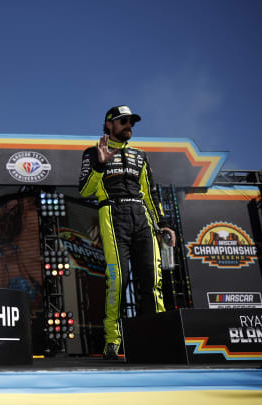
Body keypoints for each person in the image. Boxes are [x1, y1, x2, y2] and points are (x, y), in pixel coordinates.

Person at [78, 105, 176, 360]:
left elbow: (151, 194)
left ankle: (160, 336)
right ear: (109, 125)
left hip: (141, 217)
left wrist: (163, 224)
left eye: (131, 121)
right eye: (123, 121)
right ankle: (113, 341)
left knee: (152, 280)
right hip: (112, 214)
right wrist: (100, 166)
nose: (129, 126)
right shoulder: (92, 153)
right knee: (118, 280)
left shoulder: (140, 156)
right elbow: (85, 191)